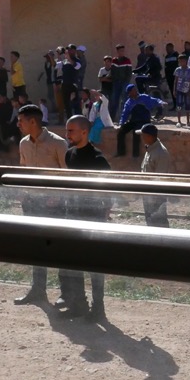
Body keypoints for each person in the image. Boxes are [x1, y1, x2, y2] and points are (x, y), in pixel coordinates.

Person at [12, 104, 70, 307]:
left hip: (54, 205)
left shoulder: (58, 143)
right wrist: (21, 192)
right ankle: (38, 290)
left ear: (33, 121)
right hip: (31, 203)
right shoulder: (24, 144)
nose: (18, 124)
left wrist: (59, 198)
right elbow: (23, 169)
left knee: (60, 249)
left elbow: (69, 175)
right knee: (35, 248)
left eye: (21, 120)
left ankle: (66, 294)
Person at [61, 114, 111, 319]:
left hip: (93, 217)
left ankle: (98, 308)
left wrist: (104, 214)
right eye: (67, 130)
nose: (67, 134)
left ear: (84, 132)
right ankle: (78, 304)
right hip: (72, 215)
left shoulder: (98, 160)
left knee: (94, 264)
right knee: (75, 263)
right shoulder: (69, 154)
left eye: (71, 130)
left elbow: (109, 192)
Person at [138, 123, 172, 227]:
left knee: (159, 222)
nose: (142, 138)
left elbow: (159, 179)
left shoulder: (161, 153)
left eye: (143, 135)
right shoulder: (151, 148)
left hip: (155, 195)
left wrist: (153, 197)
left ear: (149, 136)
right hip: (148, 193)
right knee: (150, 221)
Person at [114, 83, 158, 157]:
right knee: (121, 132)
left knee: (136, 133)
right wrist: (121, 123)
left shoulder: (144, 97)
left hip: (144, 120)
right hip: (134, 120)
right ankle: (121, 152)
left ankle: (135, 154)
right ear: (130, 93)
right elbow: (125, 114)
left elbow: (154, 100)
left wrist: (160, 102)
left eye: (135, 89)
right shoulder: (128, 102)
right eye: (133, 90)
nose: (135, 91)